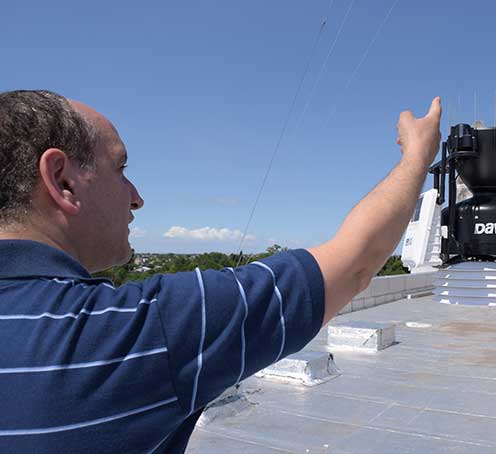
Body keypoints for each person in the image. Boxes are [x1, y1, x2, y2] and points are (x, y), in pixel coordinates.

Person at [0, 90, 441, 453]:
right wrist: (417, 157)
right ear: (61, 180)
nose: (136, 198)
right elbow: (356, 261)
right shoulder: (137, 331)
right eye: (121, 169)